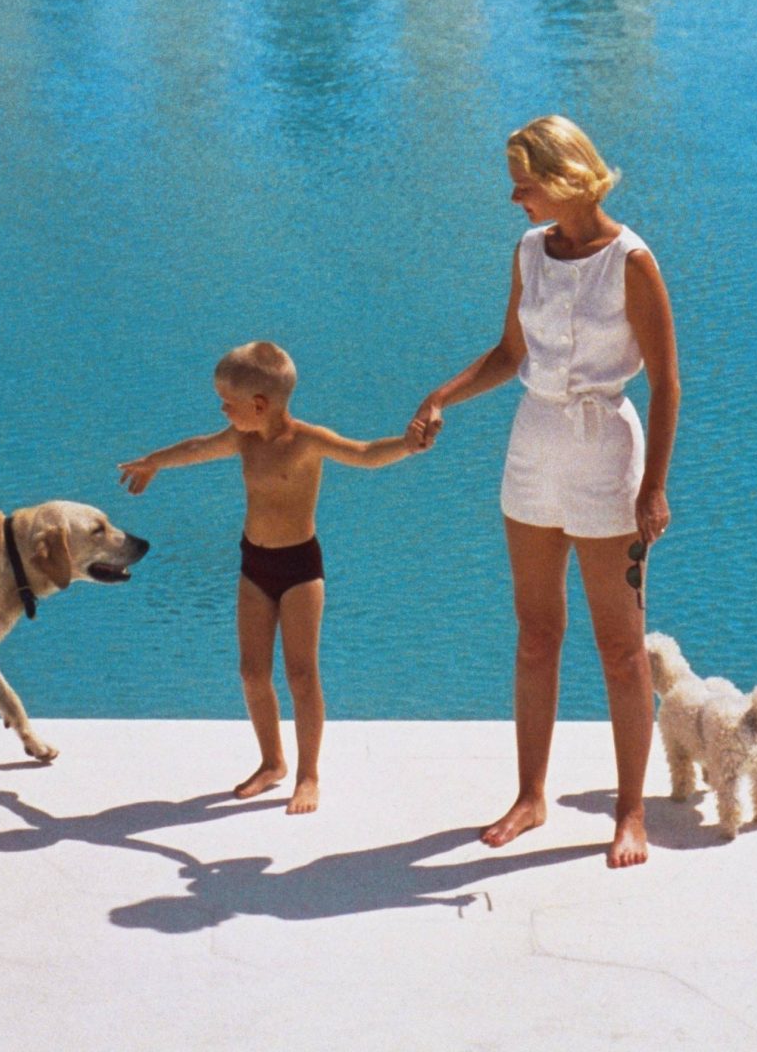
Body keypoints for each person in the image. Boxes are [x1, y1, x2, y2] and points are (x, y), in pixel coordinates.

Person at [409, 115, 680, 868]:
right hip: (532, 449)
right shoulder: (530, 251)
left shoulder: (631, 261)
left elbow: (666, 385)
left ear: (562, 179)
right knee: (536, 636)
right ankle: (531, 797)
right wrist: (442, 396)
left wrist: (654, 487)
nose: (513, 196)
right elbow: (509, 352)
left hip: (606, 459)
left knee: (621, 650)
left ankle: (630, 811)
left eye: (523, 182)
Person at [119, 340, 430, 814]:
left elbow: (365, 454)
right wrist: (154, 460)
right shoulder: (243, 438)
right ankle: (272, 763)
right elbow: (198, 447)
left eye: (228, 403)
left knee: (301, 675)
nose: (223, 411)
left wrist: (407, 445)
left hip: (300, 568)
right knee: (251, 671)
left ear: (259, 405)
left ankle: (308, 775)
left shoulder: (307, 441)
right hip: (254, 565)